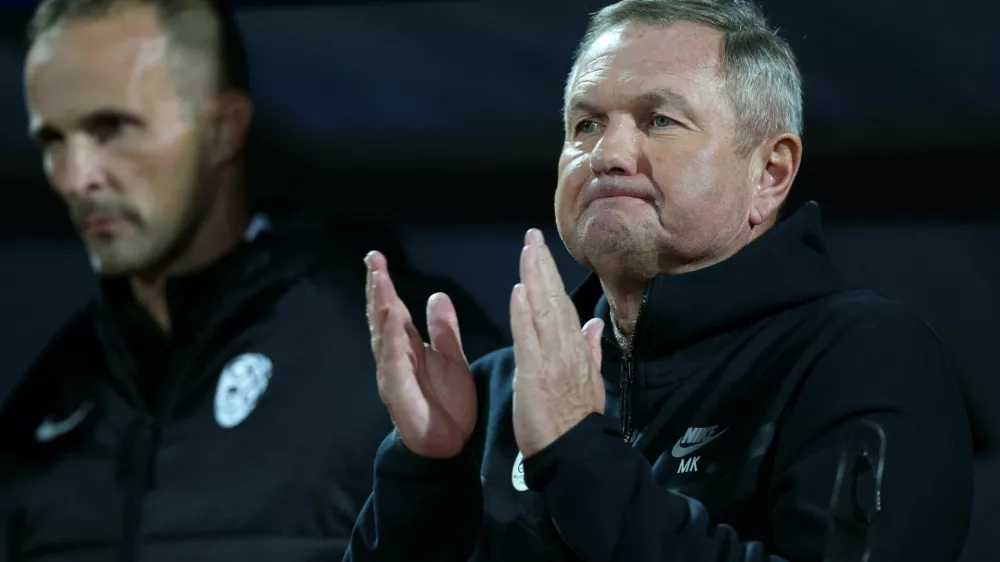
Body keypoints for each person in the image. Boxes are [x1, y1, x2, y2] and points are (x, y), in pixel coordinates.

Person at [348, 0, 974, 560]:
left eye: (660, 121)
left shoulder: (862, 355)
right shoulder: (494, 393)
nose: (607, 155)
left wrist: (577, 454)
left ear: (770, 172)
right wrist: (427, 474)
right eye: (586, 125)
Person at [0, 0, 504, 560]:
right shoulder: (45, 400)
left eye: (112, 127)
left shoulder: (402, 352)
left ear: (223, 129)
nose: (76, 177)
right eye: (52, 141)